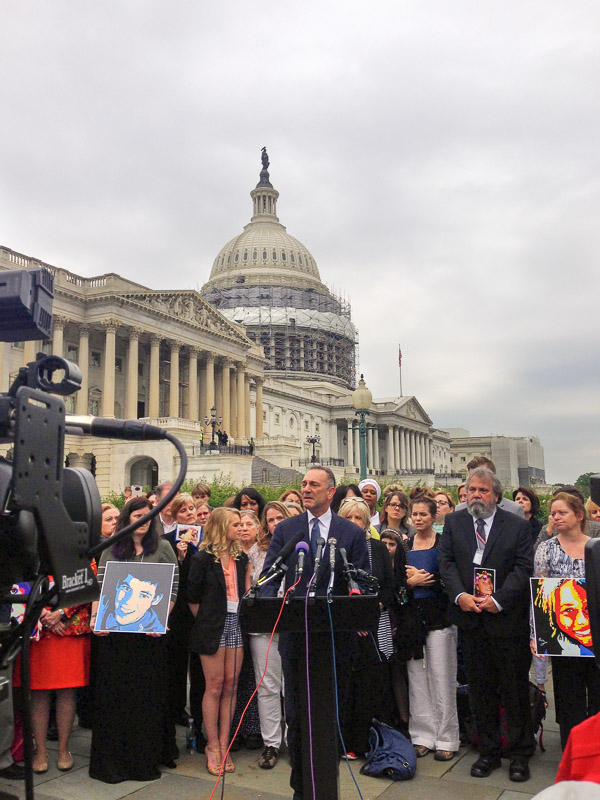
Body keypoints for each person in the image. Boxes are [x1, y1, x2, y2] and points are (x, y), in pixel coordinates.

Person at [260, 467, 370, 800]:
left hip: (335, 642)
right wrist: (269, 610)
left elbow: (363, 581)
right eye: (304, 484)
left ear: (331, 492)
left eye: (314, 485)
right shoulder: (289, 530)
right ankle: (301, 788)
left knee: (328, 718)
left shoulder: (350, 533)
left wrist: (356, 608)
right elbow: (269, 578)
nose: (306, 489)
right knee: (296, 716)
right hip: (296, 640)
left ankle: (325, 786)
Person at [439, 467, 535, 783]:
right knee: (480, 690)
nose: (476, 496)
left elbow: (523, 568)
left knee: (514, 689)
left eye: (482, 490)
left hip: (507, 623)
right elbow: (447, 563)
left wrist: (499, 600)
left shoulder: (517, 526)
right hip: (471, 621)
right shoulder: (454, 522)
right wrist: (459, 595)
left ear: (495, 494)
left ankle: (520, 753)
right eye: (471, 490)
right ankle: (489, 751)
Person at [89, 497, 179, 783]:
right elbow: (100, 587)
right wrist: (96, 619)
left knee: (145, 700)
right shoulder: (111, 549)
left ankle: (143, 762)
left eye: (147, 516)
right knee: (114, 699)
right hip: (115, 640)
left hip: (149, 639)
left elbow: (173, 589)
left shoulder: (163, 548)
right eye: (137, 515)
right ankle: (112, 764)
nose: (143, 521)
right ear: (128, 518)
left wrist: (160, 620)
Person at [532, 493, 600, 749]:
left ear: (579, 515)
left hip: (594, 633)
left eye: (562, 512)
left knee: (596, 695)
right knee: (568, 695)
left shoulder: (597, 545)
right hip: (563, 636)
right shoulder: (546, 548)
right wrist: (535, 635)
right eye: (553, 513)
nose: (556, 517)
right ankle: (573, 750)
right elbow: (539, 595)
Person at [187, 508, 252, 776]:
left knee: (231, 686)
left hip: (237, 623)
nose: (240, 528)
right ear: (220, 526)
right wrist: (207, 621)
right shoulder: (203, 558)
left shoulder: (241, 557)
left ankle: (225, 743)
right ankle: (212, 745)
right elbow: (192, 598)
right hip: (212, 626)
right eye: (235, 524)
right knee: (213, 687)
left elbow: (246, 591)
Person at [337, 497, 396, 758]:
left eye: (357, 518)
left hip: (373, 627)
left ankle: (362, 743)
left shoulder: (378, 549)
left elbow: (389, 586)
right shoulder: (333, 549)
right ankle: (341, 741)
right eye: (347, 518)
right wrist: (352, 618)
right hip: (343, 629)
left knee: (367, 688)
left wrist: (370, 613)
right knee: (343, 688)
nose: (352, 523)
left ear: (365, 522)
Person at [12, 593, 94, 774]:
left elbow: (86, 584)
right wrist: (44, 614)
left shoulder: (81, 561)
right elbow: (18, 582)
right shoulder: (28, 562)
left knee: (68, 690)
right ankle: (41, 751)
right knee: (38, 691)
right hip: (35, 626)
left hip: (70, 626)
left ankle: (63, 749)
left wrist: (62, 613)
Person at [405, 493, 459, 762]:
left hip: (439, 618)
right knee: (417, 680)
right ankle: (422, 736)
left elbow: (451, 579)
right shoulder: (406, 544)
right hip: (413, 621)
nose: (418, 519)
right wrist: (410, 583)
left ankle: (447, 737)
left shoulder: (443, 544)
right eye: (414, 514)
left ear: (433, 516)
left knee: (442, 678)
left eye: (423, 514)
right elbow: (397, 582)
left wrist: (428, 580)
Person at [247, 501, 290, 769]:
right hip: (264, 628)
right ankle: (271, 743)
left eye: (279, 519)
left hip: (292, 626)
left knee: (292, 687)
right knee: (267, 687)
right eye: (270, 520)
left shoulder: (302, 547)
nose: (275, 524)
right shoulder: (256, 551)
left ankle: (295, 740)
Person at [163, 494, 205, 735]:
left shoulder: (204, 538)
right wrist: (180, 557)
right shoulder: (167, 540)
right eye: (184, 511)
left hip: (199, 609)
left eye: (192, 509)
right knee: (177, 662)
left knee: (198, 664)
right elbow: (169, 576)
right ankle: (176, 707)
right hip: (177, 609)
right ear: (174, 515)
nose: (189, 513)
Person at [230, 510, 262, 751]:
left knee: (254, 676)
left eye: (249, 524)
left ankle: (253, 728)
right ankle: (235, 729)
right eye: (239, 524)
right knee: (235, 677)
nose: (243, 528)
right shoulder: (231, 555)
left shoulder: (262, 553)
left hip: (258, 620)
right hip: (233, 621)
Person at [455, 458, 524, 517]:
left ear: (494, 478)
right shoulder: (459, 510)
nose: (476, 482)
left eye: (481, 476)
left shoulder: (514, 510)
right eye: (472, 477)